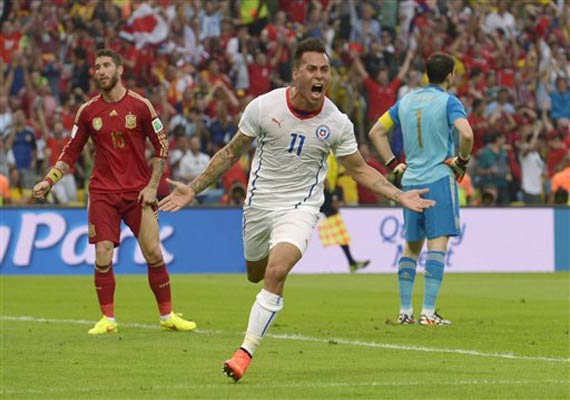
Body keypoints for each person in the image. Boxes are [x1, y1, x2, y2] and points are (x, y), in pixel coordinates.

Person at [159, 38, 435, 381]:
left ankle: (244, 352)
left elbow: (360, 169)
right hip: (259, 205)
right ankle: (262, 303)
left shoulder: (337, 122)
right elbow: (231, 152)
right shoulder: (264, 107)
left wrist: (399, 195)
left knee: (276, 272)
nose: (320, 76)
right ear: (295, 74)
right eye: (312, 69)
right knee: (256, 273)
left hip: (301, 207)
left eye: (325, 70)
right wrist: (194, 188)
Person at [33, 49, 196, 335]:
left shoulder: (141, 106)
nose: (100, 71)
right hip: (103, 193)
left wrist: (152, 187)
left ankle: (167, 316)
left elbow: (161, 146)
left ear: (120, 70)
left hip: (138, 192)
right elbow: (71, 151)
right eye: (97, 67)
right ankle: (107, 319)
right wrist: (49, 180)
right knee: (102, 254)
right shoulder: (88, 111)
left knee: (153, 253)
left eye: (106, 66)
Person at [369, 52, 474, 326]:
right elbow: (466, 133)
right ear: (450, 75)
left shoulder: (405, 101)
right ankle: (428, 312)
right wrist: (462, 161)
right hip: (438, 178)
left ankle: (405, 311)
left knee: (411, 247)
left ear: (427, 73)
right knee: (437, 246)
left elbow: (375, 132)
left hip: (410, 181)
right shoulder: (449, 101)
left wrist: (394, 164)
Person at [319, 152, 370, 272]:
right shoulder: (329, 155)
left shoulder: (331, 155)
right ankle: (351, 262)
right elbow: (325, 177)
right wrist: (333, 196)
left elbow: (331, 177)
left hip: (322, 193)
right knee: (338, 229)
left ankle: (351, 262)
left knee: (337, 228)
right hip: (323, 193)